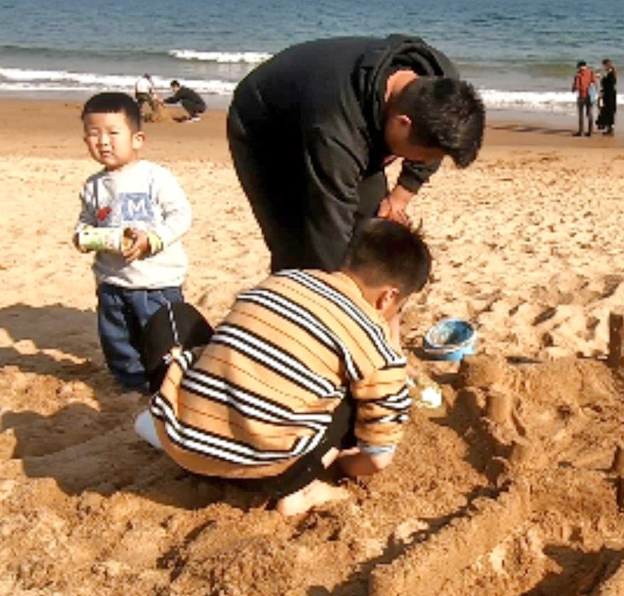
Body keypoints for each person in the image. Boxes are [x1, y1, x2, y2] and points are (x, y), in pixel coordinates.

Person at [142, 218, 427, 516]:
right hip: (271, 476)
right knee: (357, 394)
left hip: (185, 449)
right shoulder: (377, 350)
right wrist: (339, 460)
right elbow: (378, 460)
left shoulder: (283, 280)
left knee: (173, 317)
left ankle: (194, 416)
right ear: (389, 296)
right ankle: (300, 491)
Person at [227, 34, 484, 274]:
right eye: (422, 156)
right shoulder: (337, 131)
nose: (427, 163)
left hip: (334, 114)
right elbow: (331, 222)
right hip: (266, 127)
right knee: (298, 248)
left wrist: (401, 195)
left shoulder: (441, 82)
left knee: (370, 233)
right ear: (403, 123)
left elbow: (435, 144)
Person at [72, 92, 193, 393]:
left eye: (113, 133)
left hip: (156, 282)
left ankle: (170, 382)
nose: (103, 142)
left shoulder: (154, 177)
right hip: (113, 280)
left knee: (162, 336)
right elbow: (87, 220)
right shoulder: (94, 185)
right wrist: (83, 236)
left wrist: (152, 239)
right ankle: (132, 385)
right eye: (93, 134)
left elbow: (180, 215)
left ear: (137, 138)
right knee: (118, 339)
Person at [572, 60, 596, 136]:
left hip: (582, 95)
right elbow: (594, 83)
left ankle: (581, 131)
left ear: (579, 67)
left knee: (581, 114)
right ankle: (590, 131)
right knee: (589, 114)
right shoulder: (591, 72)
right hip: (590, 95)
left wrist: (573, 89)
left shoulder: (578, 74)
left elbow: (576, 86)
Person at [597, 58, 618, 136]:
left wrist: (602, 78)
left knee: (608, 110)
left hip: (609, 94)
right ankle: (609, 128)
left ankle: (610, 129)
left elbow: (608, 84)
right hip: (611, 93)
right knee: (610, 110)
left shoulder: (610, 73)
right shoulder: (612, 73)